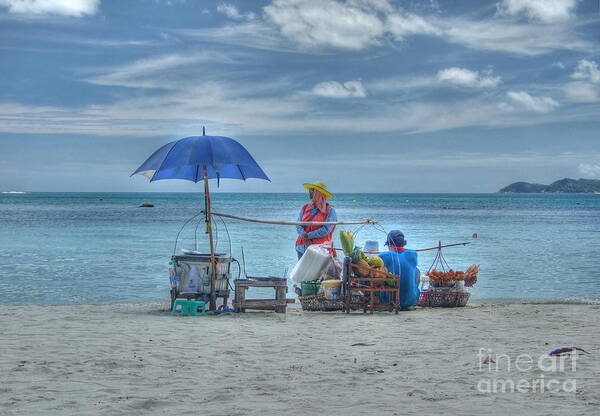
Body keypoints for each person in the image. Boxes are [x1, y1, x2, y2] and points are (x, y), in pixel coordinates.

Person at [377, 230, 420, 310]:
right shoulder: (413, 254)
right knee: (417, 271)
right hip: (410, 300)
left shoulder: (383, 256)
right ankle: (410, 294)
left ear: (389, 244)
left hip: (389, 301)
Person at [295, 181, 337, 259]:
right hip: (301, 246)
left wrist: (308, 236)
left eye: (312, 191)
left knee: (319, 271)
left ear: (319, 193)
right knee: (302, 271)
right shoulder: (305, 208)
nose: (310, 193)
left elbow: (326, 229)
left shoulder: (330, 210)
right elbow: (298, 225)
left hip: (320, 248)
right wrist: (304, 236)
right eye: (310, 191)